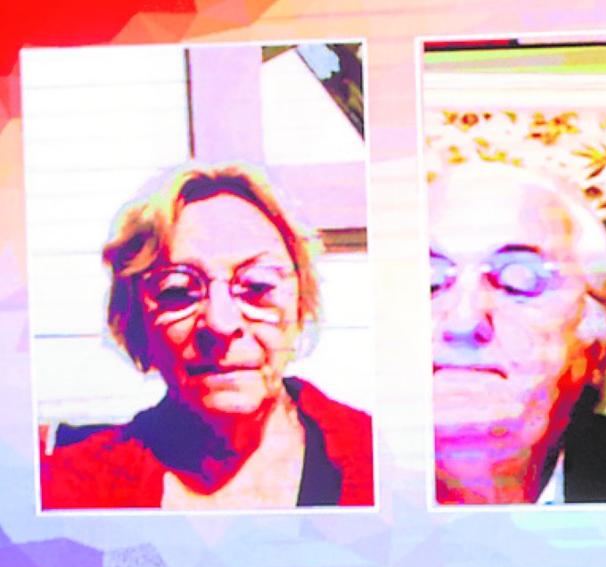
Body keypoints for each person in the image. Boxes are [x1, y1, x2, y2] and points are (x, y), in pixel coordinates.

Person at [40, 162, 374, 510]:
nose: (220, 322)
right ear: (136, 322)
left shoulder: (386, 464)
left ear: (301, 304)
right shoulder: (71, 492)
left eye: (257, 286)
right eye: (177, 291)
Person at [428, 163, 606, 505]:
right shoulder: (339, 479)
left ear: (600, 341)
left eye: (519, 279)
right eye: (430, 280)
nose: (463, 321)